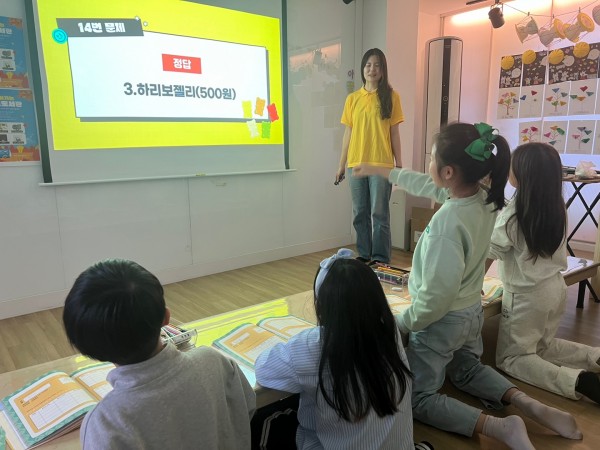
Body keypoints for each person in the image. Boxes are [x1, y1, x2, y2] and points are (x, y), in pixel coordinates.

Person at [353, 123, 582, 449]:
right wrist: (384, 171)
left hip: (443, 321)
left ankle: (500, 427)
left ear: (447, 172)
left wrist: (401, 324)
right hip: (471, 312)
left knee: (418, 397)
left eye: (430, 158)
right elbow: (428, 185)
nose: (427, 165)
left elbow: (436, 300)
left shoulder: (446, 224)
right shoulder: (485, 198)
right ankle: (530, 404)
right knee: (467, 369)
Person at [63, 259, 256, 450]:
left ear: (88, 350)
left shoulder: (105, 423)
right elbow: (247, 408)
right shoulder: (214, 361)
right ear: (166, 317)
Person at [255, 248, 414, 450]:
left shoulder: (314, 344)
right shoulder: (389, 329)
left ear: (321, 305)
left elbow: (264, 368)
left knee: (264, 418)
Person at [486, 142, 600, 404]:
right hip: (555, 289)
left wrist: (469, 285)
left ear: (523, 175)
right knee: (542, 347)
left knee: (512, 358)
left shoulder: (513, 215)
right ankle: (595, 357)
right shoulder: (557, 206)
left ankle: (578, 381)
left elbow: (490, 252)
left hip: (526, 298)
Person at [336, 48, 404, 265]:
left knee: (379, 214)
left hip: (381, 165)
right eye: (368, 65)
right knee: (360, 213)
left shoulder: (392, 97)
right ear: (362, 68)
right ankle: (364, 256)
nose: (371, 69)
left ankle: (380, 259)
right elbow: (348, 133)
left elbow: (394, 133)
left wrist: (399, 165)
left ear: (383, 70)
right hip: (355, 164)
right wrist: (341, 165)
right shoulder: (352, 99)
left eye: (376, 65)